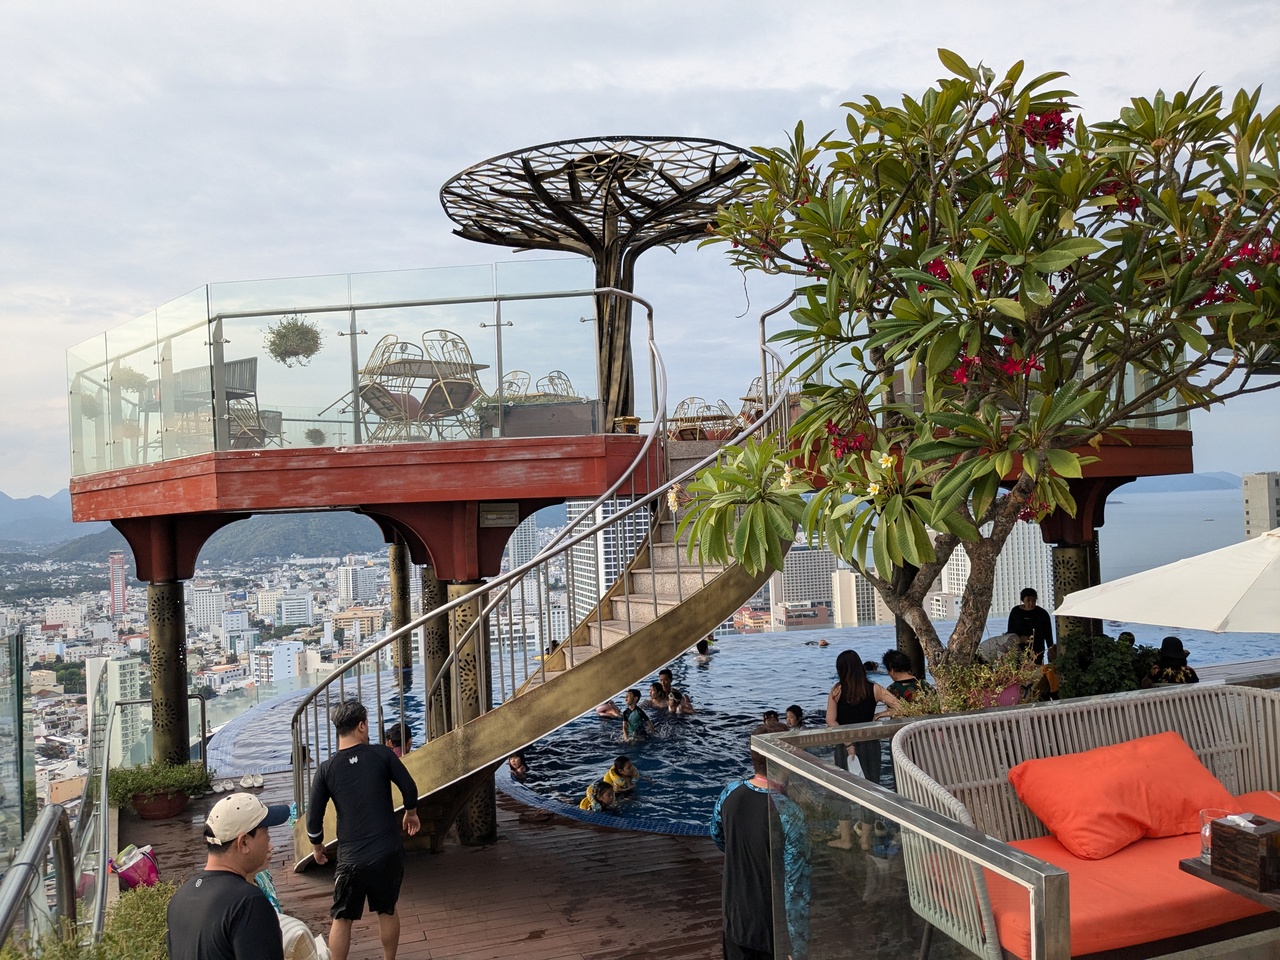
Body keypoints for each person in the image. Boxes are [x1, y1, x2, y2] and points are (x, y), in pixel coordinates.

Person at [307, 699, 421, 960]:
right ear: (361, 726)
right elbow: (409, 788)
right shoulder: (382, 754)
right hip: (386, 851)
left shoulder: (326, 770)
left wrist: (317, 846)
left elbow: (313, 818)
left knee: (342, 917)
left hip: (351, 858)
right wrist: (411, 813)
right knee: (387, 909)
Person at [710, 734, 811, 960]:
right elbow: (795, 887)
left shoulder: (730, 792)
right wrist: (798, 948)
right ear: (784, 762)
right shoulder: (789, 813)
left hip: (734, 915)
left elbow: (717, 835)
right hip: (771, 927)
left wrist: (745, 852)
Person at [167, 794, 291, 960]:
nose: (270, 843)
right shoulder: (249, 903)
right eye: (266, 833)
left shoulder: (181, 897)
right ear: (244, 843)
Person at [826, 650, 901, 851]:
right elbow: (900, 707)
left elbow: (831, 721)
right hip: (870, 744)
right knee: (870, 790)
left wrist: (848, 742)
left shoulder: (836, 691)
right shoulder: (874, 688)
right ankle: (866, 840)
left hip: (844, 745)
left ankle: (845, 838)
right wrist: (880, 715)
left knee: (842, 790)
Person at [1007, 587, 1054, 665]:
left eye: (1034, 600)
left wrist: (1051, 650)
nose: (1031, 603)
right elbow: (1010, 631)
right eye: (1028, 600)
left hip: (1037, 649)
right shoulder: (1016, 612)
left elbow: (1048, 634)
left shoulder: (1042, 613)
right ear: (1023, 600)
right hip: (1019, 649)